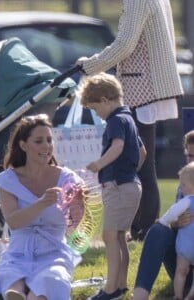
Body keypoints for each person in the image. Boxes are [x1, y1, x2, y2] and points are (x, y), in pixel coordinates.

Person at [76, 0, 184, 240]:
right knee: (141, 160)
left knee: (139, 162)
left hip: (142, 88)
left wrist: (90, 66)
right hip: (151, 86)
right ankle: (141, 227)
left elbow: (125, 45)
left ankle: (144, 229)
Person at [0, 113, 84, 300]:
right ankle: (17, 293)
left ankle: (34, 296)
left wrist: (78, 205)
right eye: (39, 141)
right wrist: (41, 203)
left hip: (53, 251)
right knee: (13, 278)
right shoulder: (8, 180)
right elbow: (14, 222)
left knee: (52, 279)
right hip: (18, 252)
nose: (47, 146)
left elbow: (76, 228)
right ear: (23, 145)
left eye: (49, 140)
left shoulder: (68, 179)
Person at [78, 72, 146, 300]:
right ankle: (121, 284)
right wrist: (130, 172)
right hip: (129, 185)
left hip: (119, 186)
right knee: (118, 237)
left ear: (105, 100)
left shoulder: (116, 121)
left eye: (95, 109)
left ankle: (110, 290)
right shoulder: (129, 119)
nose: (97, 114)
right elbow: (142, 152)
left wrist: (100, 164)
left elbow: (117, 146)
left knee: (109, 236)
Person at [132, 130, 194, 300]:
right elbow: (172, 221)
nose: (191, 161)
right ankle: (139, 295)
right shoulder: (185, 187)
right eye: (189, 156)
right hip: (183, 267)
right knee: (158, 230)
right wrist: (176, 223)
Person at [157, 162, 194, 300]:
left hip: (185, 247)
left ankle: (178, 295)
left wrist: (161, 221)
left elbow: (173, 212)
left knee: (181, 271)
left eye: (183, 185)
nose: (181, 188)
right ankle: (190, 294)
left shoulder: (187, 200)